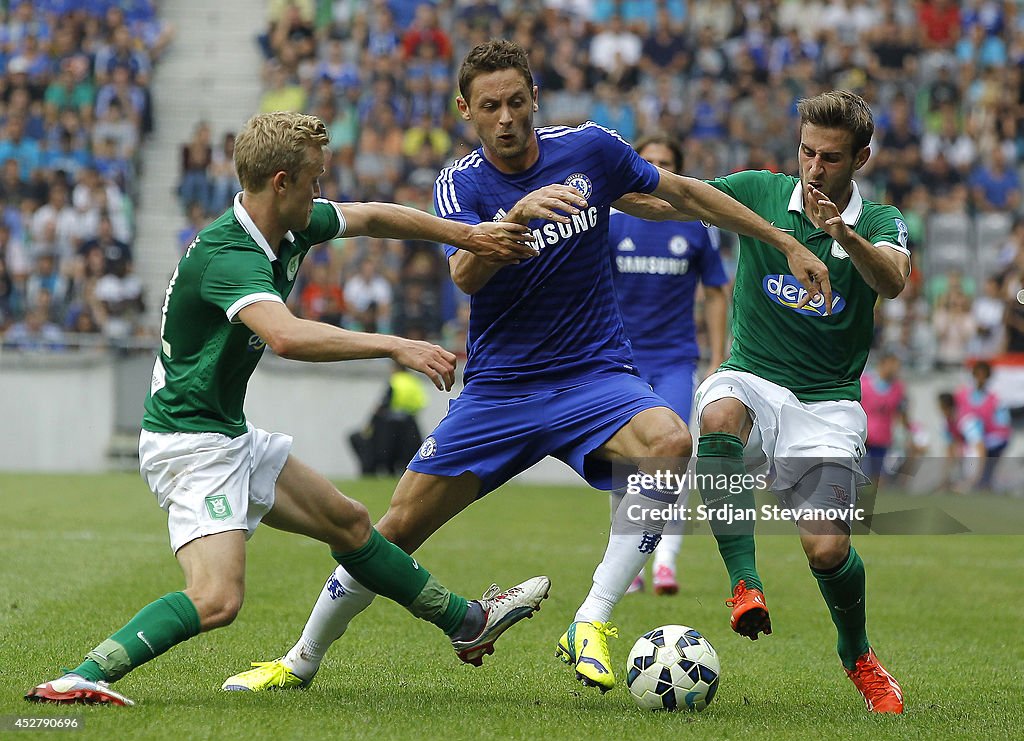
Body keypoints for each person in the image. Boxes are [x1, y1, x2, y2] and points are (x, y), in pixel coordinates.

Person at [222, 40, 829, 696]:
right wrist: (513, 216)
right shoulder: (462, 182)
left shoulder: (590, 149)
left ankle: (591, 620)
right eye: (490, 107)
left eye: (517, 102)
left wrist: (784, 238)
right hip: (500, 393)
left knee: (671, 442)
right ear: (466, 110)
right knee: (392, 530)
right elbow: (467, 276)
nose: (506, 117)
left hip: (594, 378)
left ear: (535, 98)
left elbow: (677, 193)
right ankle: (301, 661)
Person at [24, 111, 549, 707]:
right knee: (216, 599)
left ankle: (467, 623)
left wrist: (468, 236)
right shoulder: (229, 254)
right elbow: (287, 338)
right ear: (280, 182)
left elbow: (373, 215)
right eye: (314, 181)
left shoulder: (291, 226)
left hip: (225, 433)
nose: (322, 192)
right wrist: (394, 344)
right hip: (190, 446)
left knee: (350, 523)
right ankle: (82, 675)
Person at [623, 90, 908, 713]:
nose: (813, 168)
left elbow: (891, 280)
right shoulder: (759, 191)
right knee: (717, 416)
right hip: (751, 374)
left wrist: (844, 237)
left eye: (830, 157)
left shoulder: (882, 221)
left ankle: (857, 653)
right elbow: (684, 198)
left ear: (860, 157)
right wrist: (598, 186)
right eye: (806, 151)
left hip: (827, 402)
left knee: (827, 548)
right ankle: (744, 585)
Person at [607, 134, 729, 596]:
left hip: (676, 360)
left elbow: (717, 292)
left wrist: (718, 357)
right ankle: (630, 564)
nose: (654, 169)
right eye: (648, 161)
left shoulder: (694, 226)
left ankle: (665, 564)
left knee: (675, 457)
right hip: (622, 362)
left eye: (664, 163)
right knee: (627, 463)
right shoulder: (614, 225)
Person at [953, 360, 1012, 491]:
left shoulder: (995, 398)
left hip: (989, 438)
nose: (980, 378)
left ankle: (974, 481)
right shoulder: (962, 394)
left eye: (983, 375)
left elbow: (1003, 425)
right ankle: (971, 480)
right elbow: (957, 417)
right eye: (978, 374)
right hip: (968, 437)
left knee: (978, 446)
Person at [859, 351, 908, 486]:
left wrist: (904, 434)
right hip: (864, 438)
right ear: (883, 364)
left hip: (883, 438)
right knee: (859, 474)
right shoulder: (864, 384)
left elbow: (902, 412)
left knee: (879, 476)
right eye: (893, 365)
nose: (895, 369)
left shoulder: (898, 388)